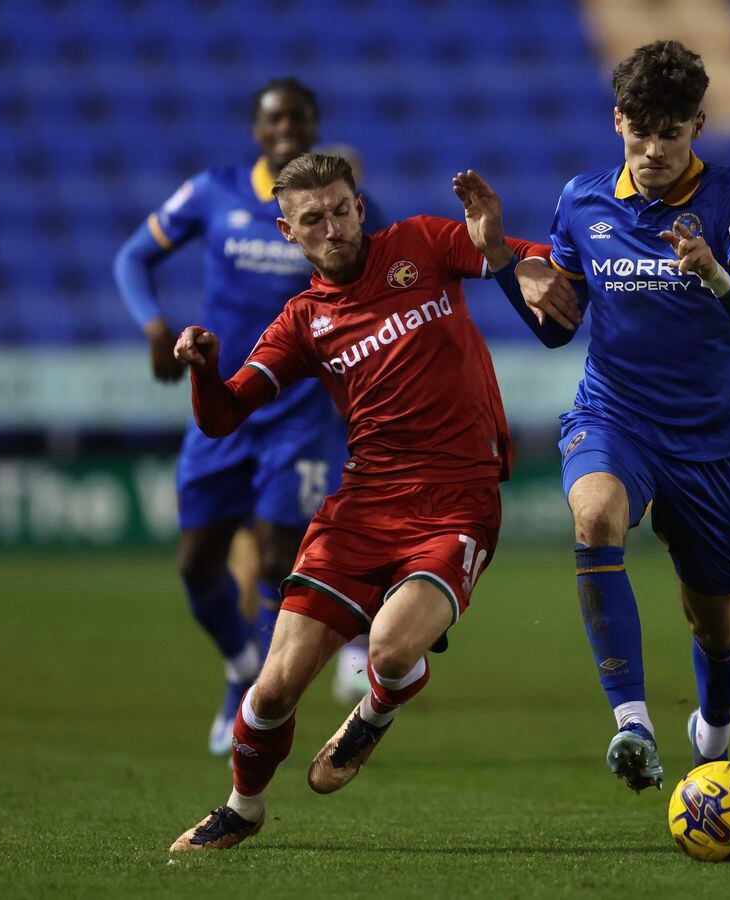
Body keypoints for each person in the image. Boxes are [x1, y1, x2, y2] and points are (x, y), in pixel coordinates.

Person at [167, 152, 549, 851]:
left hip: (458, 498)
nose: (334, 227)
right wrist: (201, 371)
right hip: (364, 504)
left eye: (342, 210)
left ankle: (375, 710)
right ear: (288, 232)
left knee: (391, 647)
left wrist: (502, 249)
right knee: (275, 687)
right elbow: (223, 416)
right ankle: (242, 809)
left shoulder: (422, 245)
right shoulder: (304, 321)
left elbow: (528, 257)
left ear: (360, 207)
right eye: (314, 219)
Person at [469, 40, 730, 792]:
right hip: (616, 416)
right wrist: (506, 265)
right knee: (595, 516)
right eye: (640, 131)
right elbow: (556, 327)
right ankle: (632, 723)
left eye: (670, 133)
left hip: (710, 442)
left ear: (697, 126)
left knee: (715, 623)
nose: (653, 149)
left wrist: (711, 273)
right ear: (618, 122)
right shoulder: (582, 200)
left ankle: (713, 734)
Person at [112, 79, 368, 759]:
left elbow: (389, 277)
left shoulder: (332, 210)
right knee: (197, 565)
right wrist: (153, 325)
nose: (286, 125)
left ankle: (257, 700)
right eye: (274, 117)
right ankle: (240, 664)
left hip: (299, 414)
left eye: (299, 116)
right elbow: (132, 257)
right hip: (220, 409)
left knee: (280, 558)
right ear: (257, 129)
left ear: (315, 125)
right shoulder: (211, 192)